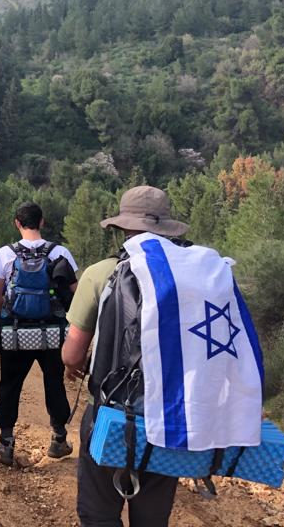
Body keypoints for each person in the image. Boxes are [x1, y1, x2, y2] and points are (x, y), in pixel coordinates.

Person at [61, 186, 186, 527]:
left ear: (122, 228)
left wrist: (77, 365)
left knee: (99, 514)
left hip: (111, 415)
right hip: (169, 420)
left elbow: (71, 353)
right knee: (152, 520)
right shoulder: (187, 277)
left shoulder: (100, 273)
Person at [0, 201, 79, 466]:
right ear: (42, 222)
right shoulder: (60, 251)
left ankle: (5, 445)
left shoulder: (5, 254)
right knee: (54, 381)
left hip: (16, 333)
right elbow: (75, 292)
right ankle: (59, 440)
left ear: (17, 223)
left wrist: (12, 312)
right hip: (51, 332)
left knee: (9, 384)